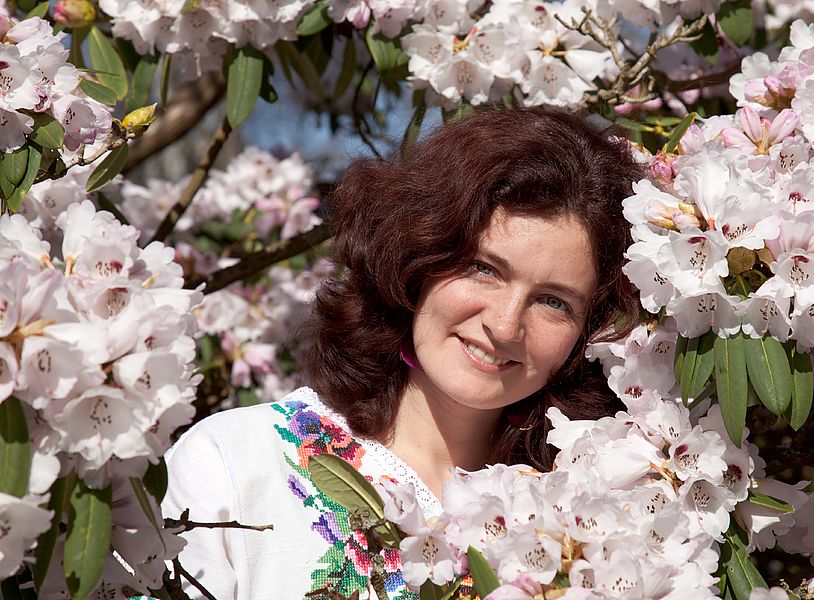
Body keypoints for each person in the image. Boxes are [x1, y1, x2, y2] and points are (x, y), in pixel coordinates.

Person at [162, 107, 643, 600]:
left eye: (553, 301)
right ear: (419, 262)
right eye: (483, 269)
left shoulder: (585, 520)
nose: (503, 325)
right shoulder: (234, 461)